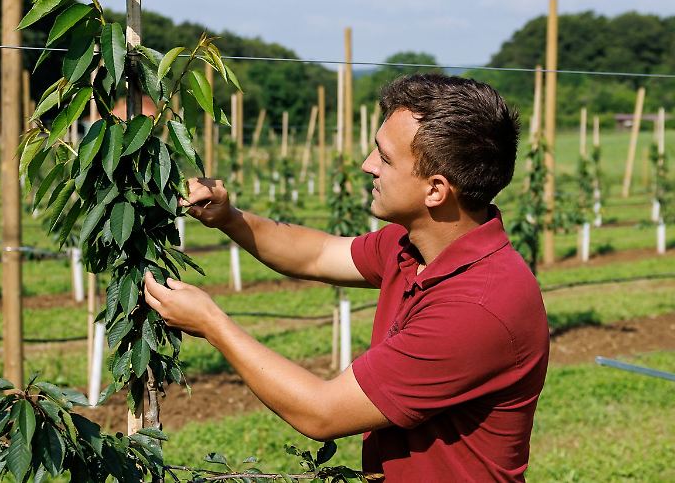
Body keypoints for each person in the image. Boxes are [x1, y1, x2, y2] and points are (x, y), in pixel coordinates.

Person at [142, 74, 549, 482]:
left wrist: (213, 324)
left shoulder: (475, 308)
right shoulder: (414, 247)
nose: (367, 165)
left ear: (436, 190)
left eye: (385, 158)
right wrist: (229, 218)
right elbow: (318, 254)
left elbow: (323, 412)